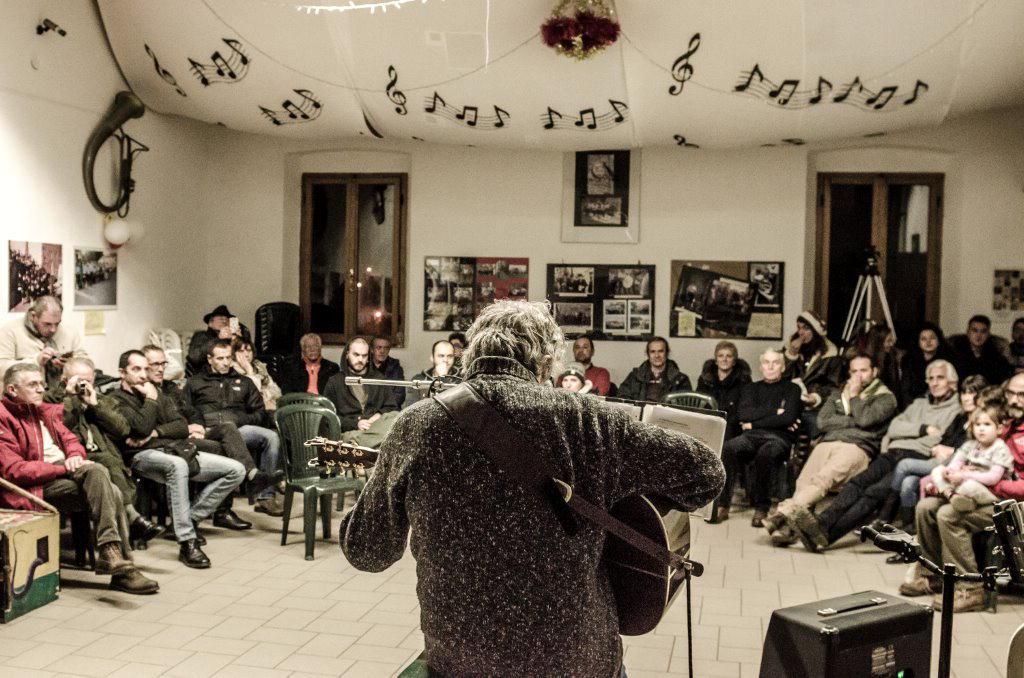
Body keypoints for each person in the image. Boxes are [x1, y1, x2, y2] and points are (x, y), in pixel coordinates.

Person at [340, 300, 725, 677]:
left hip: (461, 660)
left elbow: (367, 551)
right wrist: (622, 492)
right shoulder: (590, 419)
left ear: (470, 356)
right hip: (576, 660)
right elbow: (707, 474)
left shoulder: (416, 425)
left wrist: (384, 487)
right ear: (544, 362)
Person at [0, 364, 158, 593]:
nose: (41, 389)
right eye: (32, 385)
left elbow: (71, 439)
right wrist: (64, 467)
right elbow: (15, 471)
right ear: (13, 390)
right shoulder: (3, 418)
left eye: (41, 383)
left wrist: (74, 455)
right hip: (31, 488)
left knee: (102, 479)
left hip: (63, 473)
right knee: (107, 485)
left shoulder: (43, 411)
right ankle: (119, 565)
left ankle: (114, 559)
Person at [789, 360, 962, 552]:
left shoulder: (957, 409)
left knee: (873, 493)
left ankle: (826, 536)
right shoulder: (919, 404)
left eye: (940, 378)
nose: (935, 383)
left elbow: (938, 440)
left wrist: (912, 435)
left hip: (915, 458)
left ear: (952, 382)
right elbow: (895, 427)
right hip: (892, 452)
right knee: (856, 483)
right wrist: (923, 429)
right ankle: (821, 524)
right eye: (931, 378)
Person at [111, 350, 246, 568]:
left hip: (172, 448)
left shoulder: (156, 394)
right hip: (140, 457)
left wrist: (154, 433)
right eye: (136, 369)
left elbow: (181, 426)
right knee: (178, 465)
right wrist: (151, 401)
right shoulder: (116, 400)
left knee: (236, 470)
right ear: (122, 373)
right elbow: (138, 428)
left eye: (146, 369)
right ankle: (187, 542)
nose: (143, 374)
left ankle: (190, 518)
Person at [902, 373, 1024, 613]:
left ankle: (971, 588)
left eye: (1022, 395)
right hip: (981, 493)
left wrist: (992, 483)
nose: (1014, 400)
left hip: (1013, 504)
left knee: (949, 515)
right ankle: (935, 575)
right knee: (925, 508)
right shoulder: (1002, 423)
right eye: (1011, 393)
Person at [766, 352, 897, 545]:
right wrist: (853, 421)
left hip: (857, 447)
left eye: (864, 370)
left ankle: (782, 516)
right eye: (854, 371)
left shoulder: (885, 397)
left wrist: (854, 398)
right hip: (828, 442)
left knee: (823, 479)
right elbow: (822, 422)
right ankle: (792, 528)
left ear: (874, 372)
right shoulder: (839, 392)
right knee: (803, 481)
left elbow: (865, 419)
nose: (858, 376)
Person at [141, 344, 280, 519]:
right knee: (225, 447)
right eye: (155, 364)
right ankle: (206, 515)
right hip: (175, 439)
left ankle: (252, 483)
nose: (160, 368)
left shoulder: (171, 388)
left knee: (236, 435)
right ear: (210, 359)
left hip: (208, 430)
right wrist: (191, 427)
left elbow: (190, 411)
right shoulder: (190, 383)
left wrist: (196, 425)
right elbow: (145, 425)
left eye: (163, 364)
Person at [47, 357, 162, 545]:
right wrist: (68, 397)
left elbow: (122, 430)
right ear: (64, 379)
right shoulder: (52, 399)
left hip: (105, 456)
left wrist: (95, 405)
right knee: (110, 463)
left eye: (88, 380)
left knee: (113, 468)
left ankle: (123, 537)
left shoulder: (103, 400)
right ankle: (132, 521)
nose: (84, 384)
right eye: (78, 379)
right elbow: (56, 426)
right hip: (71, 457)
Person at [873, 374, 987, 532]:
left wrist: (951, 451)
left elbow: (974, 449)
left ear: (982, 396)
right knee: (907, 483)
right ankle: (908, 533)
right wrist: (938, 448)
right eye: (964, 393)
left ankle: (885, 516)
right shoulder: (960, 418)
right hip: (941, 460)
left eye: (972, 393)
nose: (967, 398)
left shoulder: (983, 421)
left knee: (904, 465)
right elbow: (944, 439)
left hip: (955, 465)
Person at [184, 340, 283, 517]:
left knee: (271, 437)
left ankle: (265, 496)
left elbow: (259, 413)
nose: (225, 362)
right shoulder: (195, 383)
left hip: (239, 428)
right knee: (225, 432)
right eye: (220, 358)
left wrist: (238, 419)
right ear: (209, 359)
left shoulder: (244, 382)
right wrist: (198, 424)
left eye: (228, 357)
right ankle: (250, 477)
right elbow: (186, 409)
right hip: (207, 430)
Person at [713, 348, 802, 526]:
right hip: (751, 437)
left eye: (775, 362)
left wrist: (754, 423)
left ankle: (762, 507)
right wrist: (774, 413)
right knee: (728, 448)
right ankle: (723, 505)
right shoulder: (750, 388)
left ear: (782, 367)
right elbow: (743, 414)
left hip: (779, 438)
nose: (770, 367)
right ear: (761, 367)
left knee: (766, 454)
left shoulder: (792, 389)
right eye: (766, 363)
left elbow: (788, 418)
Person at [923, 404, 1012, 511]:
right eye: (977, 425)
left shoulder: (1000, 448)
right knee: (938, 470)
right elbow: (957, 462)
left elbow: (993, 478)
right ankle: (951, 495)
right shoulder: (970, 445)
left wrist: (964, 475)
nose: (981, 429)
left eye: (987, 424)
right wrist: (949, 472)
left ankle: (942, 492)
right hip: (963, 483)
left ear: (999, 429)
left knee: (968, 486)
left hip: (989, 491)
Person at [323, 337, 399, 447]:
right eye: (356, 355)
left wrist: (376, 417)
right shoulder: (335, 382)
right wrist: (356, 424)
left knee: (396, 416)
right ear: (347, 354)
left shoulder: (379, 378)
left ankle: (366, 442)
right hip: (350, 431)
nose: (360, 359)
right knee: (385, 438)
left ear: (368, 357)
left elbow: (391, 408)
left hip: (375, 428)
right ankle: (368, 442)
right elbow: (328, 417)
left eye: (364, 356)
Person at [0, 296, 87, 389]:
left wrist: (70, 364)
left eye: (57, 323)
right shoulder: (10, 331)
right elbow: (2, 369)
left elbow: (85, 363)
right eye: (47, 324)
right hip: (25, 399)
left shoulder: (70, 332)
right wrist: (35, 361)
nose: (53, 329)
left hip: (63, 395)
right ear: (32, 316)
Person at [781, 310, 842, 437]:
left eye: (806, 328)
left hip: (816, 407)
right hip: (789, 403)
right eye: (799, 327)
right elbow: (780, 376)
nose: (801, 332)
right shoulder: (791, 347)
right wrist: (791, 355)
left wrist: (815, 397)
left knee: (816, 426)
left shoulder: (830, 354)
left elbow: (833, 386)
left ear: (815, 330)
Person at [696, 340, 752, 437]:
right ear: (716, 361)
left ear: (734, 361)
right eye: (720, 356)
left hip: (733, 427)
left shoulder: (744, 380)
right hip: (708, 423)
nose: (724, 359)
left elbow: (745, 408)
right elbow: (698, 405)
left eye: (729, 356)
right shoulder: (704, 379)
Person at [618, 337, 692, 403]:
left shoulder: (681, 380)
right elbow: (622, 398)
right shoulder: (634, 376)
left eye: (660, 351)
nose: (657, 355)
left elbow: (686, 407)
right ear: (648, 354)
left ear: (667, 353)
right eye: (653, 351)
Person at [898, 323, 954, 410]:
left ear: (939, 341)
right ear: (918, 342)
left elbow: (950, 388)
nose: (928, 342)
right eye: (923, 339)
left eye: (932, 338)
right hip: (913, 406)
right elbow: (905, 390)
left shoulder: (947, 361)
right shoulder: (909, 360)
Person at [186, 304, 250, 376]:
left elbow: (247, 355)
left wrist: (238, 340)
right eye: (221, 319)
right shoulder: (201, 336)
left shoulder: (232, 337)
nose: (224, 321)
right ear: (210, 323)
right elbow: (195, 357)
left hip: (232, 375)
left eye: (226, 319)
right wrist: (218, 339)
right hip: (206, 377)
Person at [949, 315, 1013, 385]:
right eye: (974, 330)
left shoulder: (996, 352)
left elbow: (1005, 375)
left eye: (983, 331)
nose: (978, 335)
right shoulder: (956, 351)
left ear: (988, 334)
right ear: (968, 332)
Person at [405, 340, 460, 408]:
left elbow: (457, 409)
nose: (445, 360)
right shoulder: (419, 379)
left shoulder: (461, 381)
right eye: (441, 356)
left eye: (450, 356)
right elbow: (410, 408)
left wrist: (443, 378)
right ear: (432, 358)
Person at [232, 337, 282, 410]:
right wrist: (249, 372)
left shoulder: (258, 366)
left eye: (249, 350)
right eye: (241, 351)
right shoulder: (232, 371)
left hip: (269, 405)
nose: (246, 354)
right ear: (234, 354)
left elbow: (276, 391)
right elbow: (250, 397)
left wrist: (267, 396)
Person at [371, 335, 406, 408]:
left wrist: (382, 411)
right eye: (379, 347)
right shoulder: (365, 366)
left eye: (386, 348)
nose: (382, 351)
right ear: (372, 349)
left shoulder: (396, 368)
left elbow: (400, 396)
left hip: (390, 411)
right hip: (369, 411)